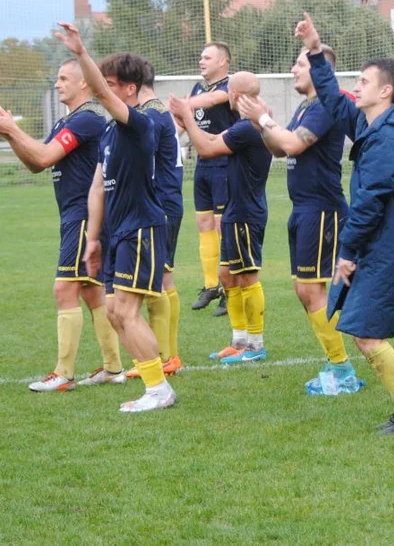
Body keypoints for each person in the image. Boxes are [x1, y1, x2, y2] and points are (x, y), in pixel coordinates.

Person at [297, 14, 394, 434]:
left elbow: (371, 202)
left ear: (386, 91)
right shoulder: (376, 125)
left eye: (363, 82)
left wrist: (348, 253)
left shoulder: (388, 140)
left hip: (387, 245)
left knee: (369, 335)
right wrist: (317, 51)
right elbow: (336, 102)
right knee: (362, 332)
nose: (355, 87)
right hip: (381, 241)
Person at [0, 58, 125, 390]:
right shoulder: (67, 120)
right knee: (91, 291)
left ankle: (63, 374)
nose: (57, 84)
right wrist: (10, 136)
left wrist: (13, 129)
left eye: (63, 78)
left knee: (64, 289)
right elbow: (36, 163)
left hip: (84, 214)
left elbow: (44, 156)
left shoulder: (88, 118)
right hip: (74, 213)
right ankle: (114, 368)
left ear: (83, 84)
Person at [54, 23, 174, 413]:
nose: (100, 89)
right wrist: (92, 240)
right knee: (113, 311)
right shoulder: (109, 134)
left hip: (142, 227)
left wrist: (80, 53)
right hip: (118, 233)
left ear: (129, 89)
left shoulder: (140, 125)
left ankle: (158, 389)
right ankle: (155, 384)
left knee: (125, 310)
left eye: (108, 84)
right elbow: (96, 188)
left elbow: (101, 93)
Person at [235, 44, 363, 395]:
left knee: (312, 289)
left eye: (300, 64)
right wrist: (259, 122)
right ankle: (335, 360)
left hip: (322, 209)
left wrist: (263, 118)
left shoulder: (324, 104)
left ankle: (342, 368)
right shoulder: (307, 107)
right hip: (304, 209)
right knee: (303, 290)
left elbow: (293, 145)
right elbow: (278, 147)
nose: (293, 69)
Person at [171, 72, 272, 364]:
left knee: (247, 276)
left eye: (228, 90)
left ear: (236, 94)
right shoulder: (243, 126)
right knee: (227, 275)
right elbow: (215, 138)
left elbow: (206, 149)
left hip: (245, 212)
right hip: (234, 209)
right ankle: (239, 341)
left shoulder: (248, 127)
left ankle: (255, 344)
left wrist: (187, 115)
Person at [129, 66, 185, 375]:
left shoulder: (150, 115)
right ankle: (170, 355)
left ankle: (163, 356)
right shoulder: (158, 111)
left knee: (156, 284)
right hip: (168, 202)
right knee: (163, 279)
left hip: (160, 204)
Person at [185, 42, 235, 315]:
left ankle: (229, 286)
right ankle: (210, 285)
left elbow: (215, 101)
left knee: (221, 224)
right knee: (203, 222)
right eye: (200, 56)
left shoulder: (230, 85)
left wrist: (184, 104)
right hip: (202, 163)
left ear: (223, 62)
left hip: (225, 163)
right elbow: (185, 118)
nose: (201, 61)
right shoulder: (197, 89)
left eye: (207, 57)